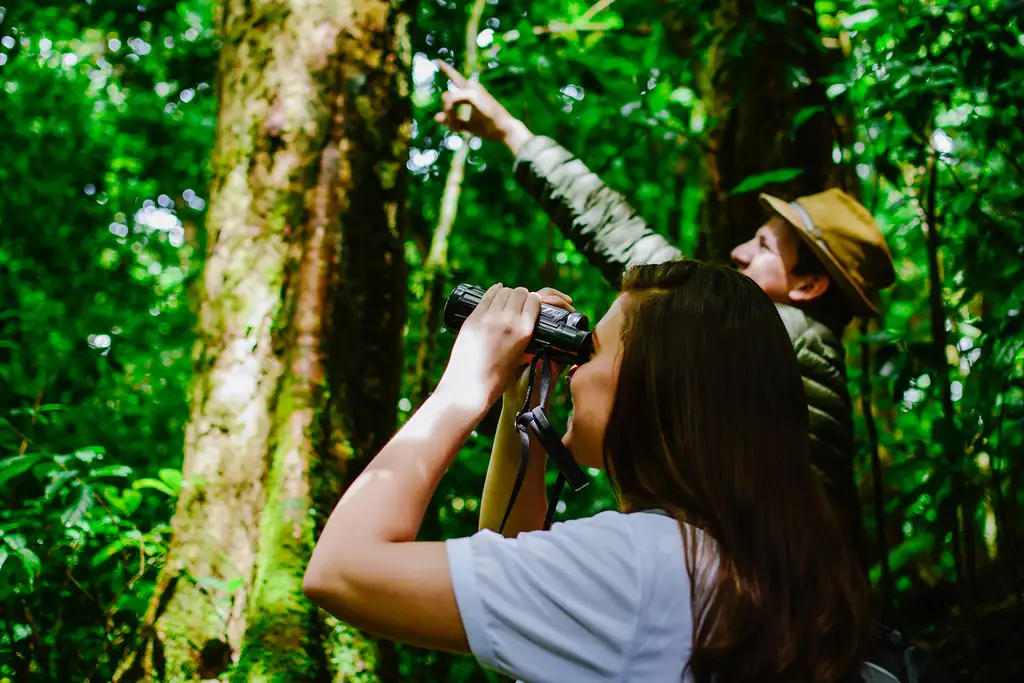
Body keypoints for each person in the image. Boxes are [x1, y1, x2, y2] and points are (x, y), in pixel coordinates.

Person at [304, 262, 874, 683]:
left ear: (655, 383)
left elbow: (342, 571)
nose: (575, 372)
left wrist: (464, 385)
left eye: (591, 350)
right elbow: (515, 568)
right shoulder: (732, 563)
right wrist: (520, 405)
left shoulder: (640, 565)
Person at [433, 61, 897, 567]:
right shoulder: (781, 351)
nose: (739, 251)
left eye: (763, 246)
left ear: (809, 285)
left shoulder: (782, 339)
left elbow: (625, 238)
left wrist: (509, 131)